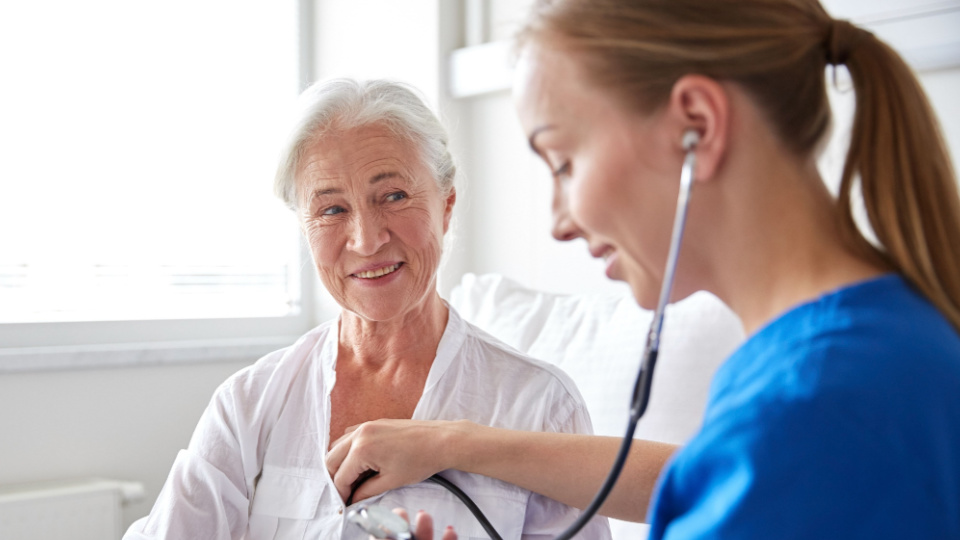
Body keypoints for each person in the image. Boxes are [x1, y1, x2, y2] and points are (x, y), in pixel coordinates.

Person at [325, 0, 960, 537]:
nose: (558, 221)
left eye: (564, 161)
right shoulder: (881, 341)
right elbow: (697, 477)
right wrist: (454, 443)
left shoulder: (810, 411)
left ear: (697, 127)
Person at [123, 79, 610, 540]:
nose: (367, 239)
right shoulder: (248, 405)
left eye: (393, 196)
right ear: (304, 230)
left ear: (446, 205)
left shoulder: (540, 405)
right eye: (332, 209)